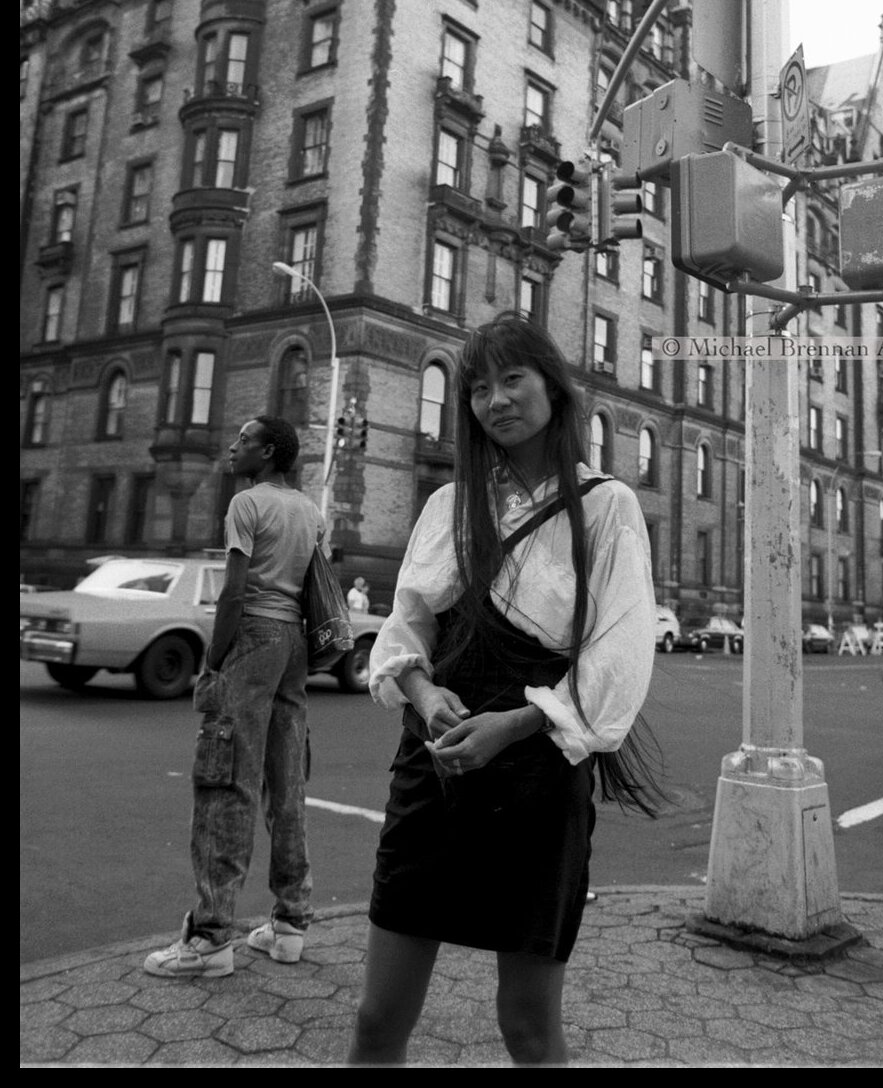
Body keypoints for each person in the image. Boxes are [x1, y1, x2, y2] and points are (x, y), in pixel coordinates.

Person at [347, 313, 661, 1067]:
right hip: (435, 767)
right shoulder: (447, 505)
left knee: (527, 1026)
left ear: (553, 385)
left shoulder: (606, 507)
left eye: (512, 379)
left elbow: (617, 660)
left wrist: (513, 726)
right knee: (375, 1017)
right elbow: (408, 631)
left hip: (538, 776)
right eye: (479, 387)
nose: (496, 400)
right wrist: (424, 698)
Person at [144, 415, 324, 979]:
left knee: (226, 783)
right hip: (294, 642)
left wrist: (213, 662)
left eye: (243, 440)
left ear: (267, 451)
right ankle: (290, 923)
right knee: (286, 781)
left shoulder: (247, 505)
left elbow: (234, 593)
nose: (232, 446)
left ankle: (211, 938)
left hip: (252, 639)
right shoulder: (310, 510)